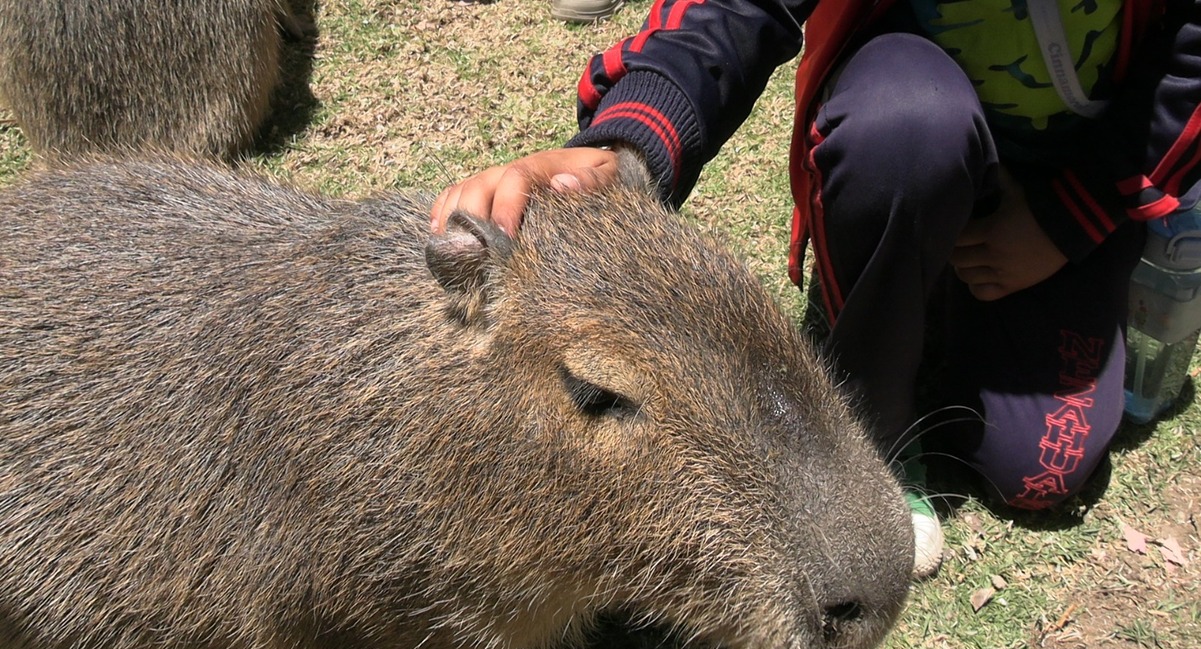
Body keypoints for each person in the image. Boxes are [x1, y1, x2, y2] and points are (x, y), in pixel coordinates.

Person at [431, 0, 1201, 578]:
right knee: (902, 126)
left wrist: (1064, 222)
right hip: (915, 122)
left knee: (1037, 471)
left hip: (1083, 162)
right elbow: (735, 9)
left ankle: (978, 280)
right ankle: (877, 408)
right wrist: (628, 148)